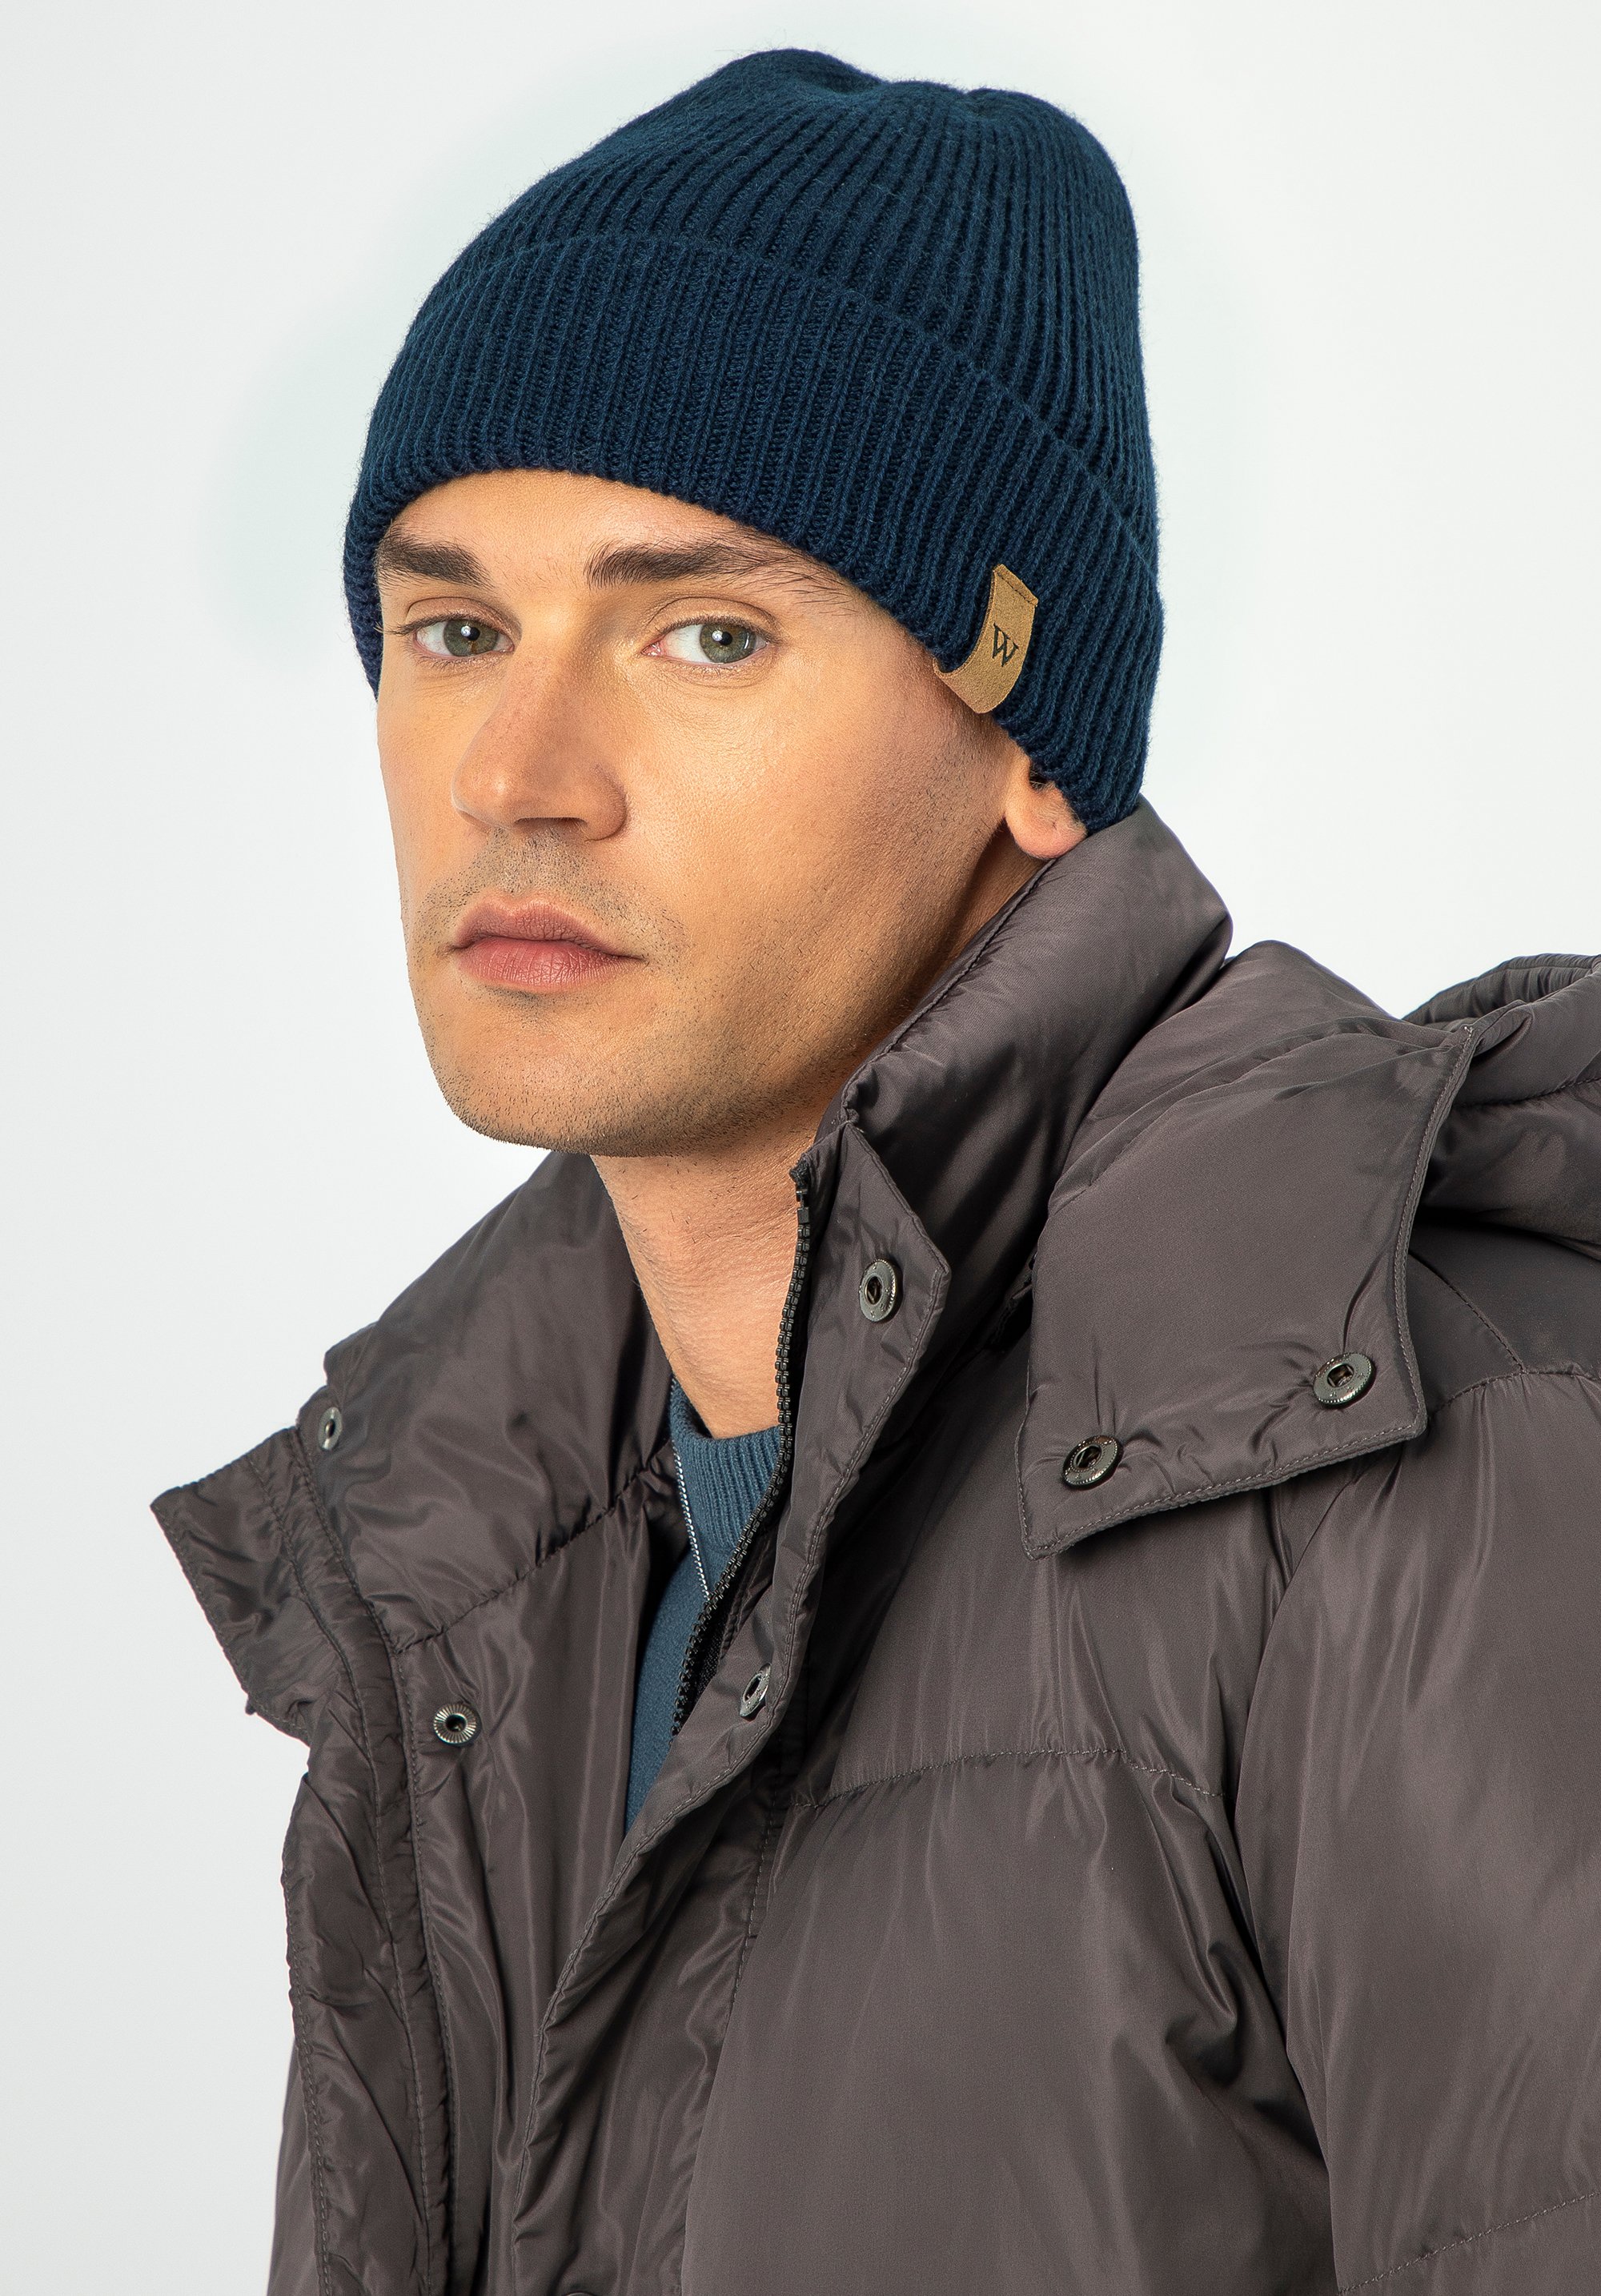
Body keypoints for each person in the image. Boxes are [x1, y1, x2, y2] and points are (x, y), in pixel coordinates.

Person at [154, 49, 1601, 2296]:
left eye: (705, 633)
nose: (518, 772)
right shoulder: (467, 1574)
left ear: (1029, 738)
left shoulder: (1401, 1447)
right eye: (456, 630)